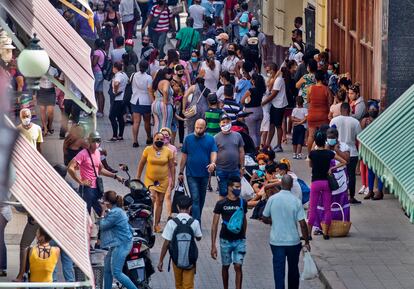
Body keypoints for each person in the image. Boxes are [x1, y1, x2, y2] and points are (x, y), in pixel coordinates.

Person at [262, 174, 310, 289]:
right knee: (293, 269)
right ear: (291, 185)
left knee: (279, 271)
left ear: (281, 184)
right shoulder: (296, 201)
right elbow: (303, 224)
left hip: (276, 241)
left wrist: (272, 221)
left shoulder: (273, 199)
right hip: (293, 242)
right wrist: (307, 241)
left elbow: (264, 217)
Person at [68, 131, 123, 216]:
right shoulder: (83, 154)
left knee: (102, 213)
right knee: (86, 215)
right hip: (87, 189)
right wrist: (81, 181)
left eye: (98, 140)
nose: (96, 143)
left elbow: (100, 170)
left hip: (97, 188)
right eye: (94, 140)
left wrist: (115, 176)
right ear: (89, 141)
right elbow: (70, 168)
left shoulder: (97, 153)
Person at [307, 130, 347, 239]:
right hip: (326, 183)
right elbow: (344, 161)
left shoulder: (312, 154)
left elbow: (310, 165)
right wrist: (332, 168)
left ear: (315, 141)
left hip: (315, 182)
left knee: (313, 208)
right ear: (325, 140)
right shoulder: (329, 153)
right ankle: (326, 233)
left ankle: (309, 234)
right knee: (327, 208)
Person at [157, 196, 202, 289]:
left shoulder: (171, 223)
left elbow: (166, 243)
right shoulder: (194, 222)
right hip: (190, 259)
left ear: (177, 207)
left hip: (176, 258)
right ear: (190, 207)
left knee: (178, 284)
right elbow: (199, 238)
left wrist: (161, 260)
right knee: (188, 285)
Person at [211, 176, 247, 289]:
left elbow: (244, 220)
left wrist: (243, 236)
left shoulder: (242, 202)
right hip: (225, 240)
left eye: (239, 187)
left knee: (238, 266)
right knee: (225, 266)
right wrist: (213, 246)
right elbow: (214, 225)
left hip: (239, 240)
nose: (238, 189)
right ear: (229, 187)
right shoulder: (221, 204)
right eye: (236, 187)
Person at [179, 119, 217, 222]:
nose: (198, 130)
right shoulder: (188, 139)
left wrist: (213, 163)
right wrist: (181, 172)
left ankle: (195, 216)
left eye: (201, 128)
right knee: (195, 198)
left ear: (205, 128)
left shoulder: (210, 139)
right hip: (191, 174)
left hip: (205, 174)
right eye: (196, 127)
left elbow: (213, 152)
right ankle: (196, 223)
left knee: (201, 198)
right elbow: (184, 156)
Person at [136, 132, 175, 233]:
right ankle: (148, 220)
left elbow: (171, 166)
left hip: (163, 180)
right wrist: (138, 177)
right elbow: (142, 163)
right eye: (157, 139)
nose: (159, 141)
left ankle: (156, 224)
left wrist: (173, 180)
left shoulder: (168, 151)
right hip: (150, 179)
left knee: (160, 201)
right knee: (152, 199)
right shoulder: (148, 150)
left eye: (161, 139)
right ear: (154, 139)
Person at [99, 191, 138, 289]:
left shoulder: (115, 212)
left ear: (107, 202)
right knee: (107, 270)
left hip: (122, 245)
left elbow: (102, 225)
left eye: (103, 200)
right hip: (116, 243)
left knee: (116, 273)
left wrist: (103, 211)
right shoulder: (116, 210)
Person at [330, 102, 362, 204]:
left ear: (340, 110)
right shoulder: (355, 122)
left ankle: (338, 195)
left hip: (338, 151)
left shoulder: (334, 120)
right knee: (351, 175)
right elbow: (359, 137)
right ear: (350, 110)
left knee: (338, 173)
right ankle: (351, 197)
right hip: (352, 152)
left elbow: (330, 134)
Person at [215, 114, 245, 198]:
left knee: (235, 192)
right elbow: (213, 153)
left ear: (231, 122)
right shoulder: (216, 138)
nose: (225, 124)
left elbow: (242, 152)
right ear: (219, 124)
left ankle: (234, 210)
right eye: (223, 122)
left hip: (235, 169)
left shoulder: (238, 136)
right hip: (221, 170)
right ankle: (221, 209)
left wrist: (242, 167)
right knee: (223, 192)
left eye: (227, 122)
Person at [261, 65, 288, 152]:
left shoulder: (278, 80)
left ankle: (279, 145)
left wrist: (263, 103)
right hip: (275, 104)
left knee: (278, 125)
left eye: (269, 71)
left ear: (273, 70)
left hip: (279, 105)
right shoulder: (275, 79)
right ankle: (267, 144)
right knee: (272, 125)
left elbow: (273, 94)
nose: (268, 73)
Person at [360, 102, 383, 200]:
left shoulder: (381, 120)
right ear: (368, 110)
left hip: (379, 149)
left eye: (374, 109)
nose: (373, 111)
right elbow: (361, 134)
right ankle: (370, 191)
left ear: (378, 110)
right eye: (371, 109)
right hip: (369, 149)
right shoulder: (365, 120)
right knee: (370, 171)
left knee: (380, 172)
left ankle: (380, 191)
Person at [306, 70, 332, 154]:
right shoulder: (326, 89)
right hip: (323, 115)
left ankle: (310, 155)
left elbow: (308, 100)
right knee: (324, 135)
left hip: (312, 114)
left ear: (315, 78)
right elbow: (330, 102)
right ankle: (323, 153)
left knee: (311, 135)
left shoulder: (310, 88)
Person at [131, 59, 154, 147]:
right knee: (147, 122)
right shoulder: (148, 78)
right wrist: (153, 101)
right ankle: (148, 138)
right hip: (146, 101)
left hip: (135, 100)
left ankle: (135, 141)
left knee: (136, 122)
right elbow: (149, 90)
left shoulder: (134, 75)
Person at [240, 73, 265, 147]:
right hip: (259, 110)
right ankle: (258, 148)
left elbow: (242, 101)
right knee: (257, 133)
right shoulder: (261, 90)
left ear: (253, 81)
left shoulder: (250, 90)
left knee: (252, 133)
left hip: (250, 112)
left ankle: (254, 149)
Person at [108, 62, 129, 141]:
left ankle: (114, 136)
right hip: (123, 98)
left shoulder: (118, 75)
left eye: (113, 67)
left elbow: (116, 83)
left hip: (118, 99)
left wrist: (116, 91)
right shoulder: (124, 74)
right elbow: (128, 82)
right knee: (120, 117)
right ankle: (120, 135)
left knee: (112, 116)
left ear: (115, 68)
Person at [160, 127, 177, 218]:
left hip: (169, 176)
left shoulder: (173, 148)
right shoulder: (157, 147)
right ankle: (156, 216)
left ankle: (169, 216)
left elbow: (175, 163)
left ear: (170, 137)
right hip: (159, 176)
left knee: (168, 196)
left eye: (167, 136)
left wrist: (173, 162)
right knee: (159, 199)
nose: (165, 138)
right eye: (163, 136)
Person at [260, 63, 278, 148]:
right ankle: (263, 143)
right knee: (264, 126)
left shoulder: (272, 80)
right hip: (265, 106)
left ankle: (264, 143)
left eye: (269, 70)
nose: (268, 72)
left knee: (265, 126)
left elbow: (270, 88)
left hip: (266, 105)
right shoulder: (268, 79)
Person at [37, 66, 58, 136]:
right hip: (41, 90)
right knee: (42, 110)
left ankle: (50, 125)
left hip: (51, 91)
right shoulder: (39, 68)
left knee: (50, 111)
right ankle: (45, 128)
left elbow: (57, 80)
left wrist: (55, 83)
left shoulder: (54, 69)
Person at [152, 67, 174, 133]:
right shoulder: (166, 82)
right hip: (163, 104)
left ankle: (156, 141)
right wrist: (165, 101)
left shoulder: (157, 82)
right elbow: (165, 90)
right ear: (165, 74)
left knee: (157, 124)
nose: (171, 75)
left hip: (155, 104)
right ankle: (165, 142)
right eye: (169, 73)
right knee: (165, 125)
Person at [92, 39, 106, 117]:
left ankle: (91, 110)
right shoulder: (103, 52)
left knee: (93, 92)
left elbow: (94, 63)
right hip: (101, 73)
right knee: (100, 92)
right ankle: (101, 111)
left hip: (97, 73)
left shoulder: (97, 52)